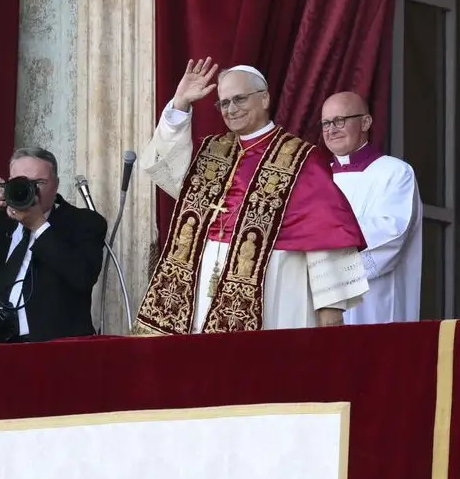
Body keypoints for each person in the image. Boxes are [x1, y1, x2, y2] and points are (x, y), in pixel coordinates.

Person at [136, 59, 368, 333]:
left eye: (240, 99)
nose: (231, 109)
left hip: (274, 286)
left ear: (265, 98)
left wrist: (330, 308)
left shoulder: (301, 158)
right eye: (224, 103)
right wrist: (180, 104)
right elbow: (164, 167)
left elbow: (325, 233)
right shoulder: (212, 151)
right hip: (201, 288)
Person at [0, 147, 107, 344]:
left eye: (39, 182)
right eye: (20, 182)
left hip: (48, 349)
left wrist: (39, 226)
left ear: (56, 185)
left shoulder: (83, 222)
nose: (30, 190)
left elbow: (82, 277)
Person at [320, 91, 422, 324]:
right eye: (326, 123)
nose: (331, 130)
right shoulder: (315, 178)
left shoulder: (395, 172)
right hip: (320, 302)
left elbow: (390, 233)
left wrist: (323, 238)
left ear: (365, 122)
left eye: (340, 120)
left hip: (375, 304)